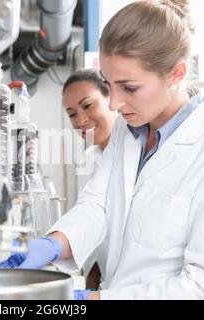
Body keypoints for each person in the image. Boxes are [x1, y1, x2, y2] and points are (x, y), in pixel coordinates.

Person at [0, 0, 204, 300]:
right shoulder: (127, 130)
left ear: (176, 73)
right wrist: (55, 243)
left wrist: (90, 300)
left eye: (129, 87)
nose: (114, 104)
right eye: (109, 85)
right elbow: (98, 206)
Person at [62, 69, 115, 290]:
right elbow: (92, 225)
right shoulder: (88, 160)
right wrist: (90, 286)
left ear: (111, 97)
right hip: (106, 285)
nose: (81, 120)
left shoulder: (138, 154)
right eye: (72, 114)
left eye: (88, 105)